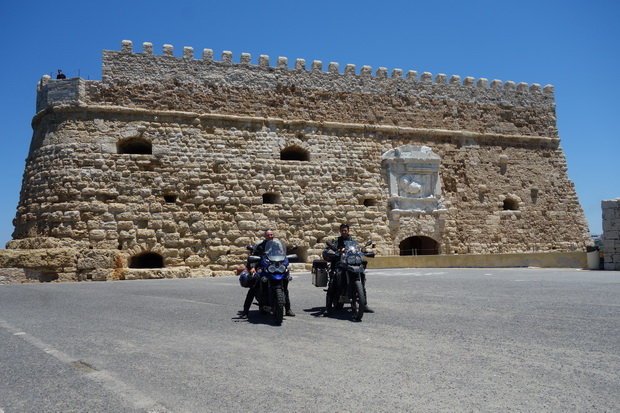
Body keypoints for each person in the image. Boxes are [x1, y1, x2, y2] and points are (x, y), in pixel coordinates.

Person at [241, 229, 295, 319]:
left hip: (274, 266)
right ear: (265, 236)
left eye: (271, 234)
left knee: (285, 285)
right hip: (261, 266)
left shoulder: (277, 244)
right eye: (268, 235)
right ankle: (245, 311)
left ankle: (288, 309)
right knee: (254, 286)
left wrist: (284, 257)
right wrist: (253, 267)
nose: (270, 236)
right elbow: (252, 256)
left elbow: (282, 255)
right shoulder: (260, 244)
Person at [328, 223, 374, 313]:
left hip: (351, 262)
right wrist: (337, 250)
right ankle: (328, 307)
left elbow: (358, 248)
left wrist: (363, 251)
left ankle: (364, 305)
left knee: (362, 281)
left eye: (345, 230)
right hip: (339, 262)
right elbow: (331, 248)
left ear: (348, 230)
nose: (344, 232)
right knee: (332, 282)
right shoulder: (336, 240)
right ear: (340, 231)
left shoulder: (354, 239)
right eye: (342, 230)